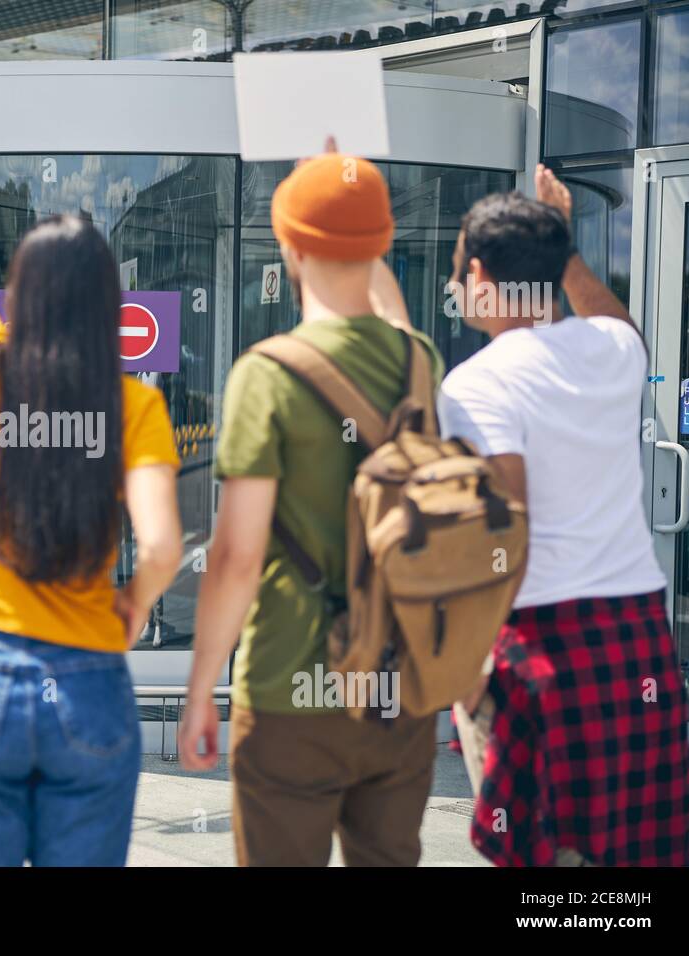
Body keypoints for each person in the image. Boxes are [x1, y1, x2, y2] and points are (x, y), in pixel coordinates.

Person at [0, 0, 183, 866]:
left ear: (19, 295)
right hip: (89, 684)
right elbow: (164, 542)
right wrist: (134, 605)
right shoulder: (133, 405)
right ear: (109, 305)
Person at [179, 151, 445, 866]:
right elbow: (388, 316)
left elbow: (234, 558)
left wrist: (201, 687)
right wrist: (353, 204)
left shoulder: (265, 375)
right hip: (399, 689)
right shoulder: (421, 361)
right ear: (385, 245)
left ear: (288, 248)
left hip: (290, 692)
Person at [438, 166, 689, 866]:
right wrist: (564, 242)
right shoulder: (613, 351)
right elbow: (616, 320)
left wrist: (464, 660)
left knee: (546, 861)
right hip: (636, 632)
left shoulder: (476, 382)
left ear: (483, 274)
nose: (454, 279)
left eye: (459, 265)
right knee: (637, 852)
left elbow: (504, 531)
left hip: (539, 640)